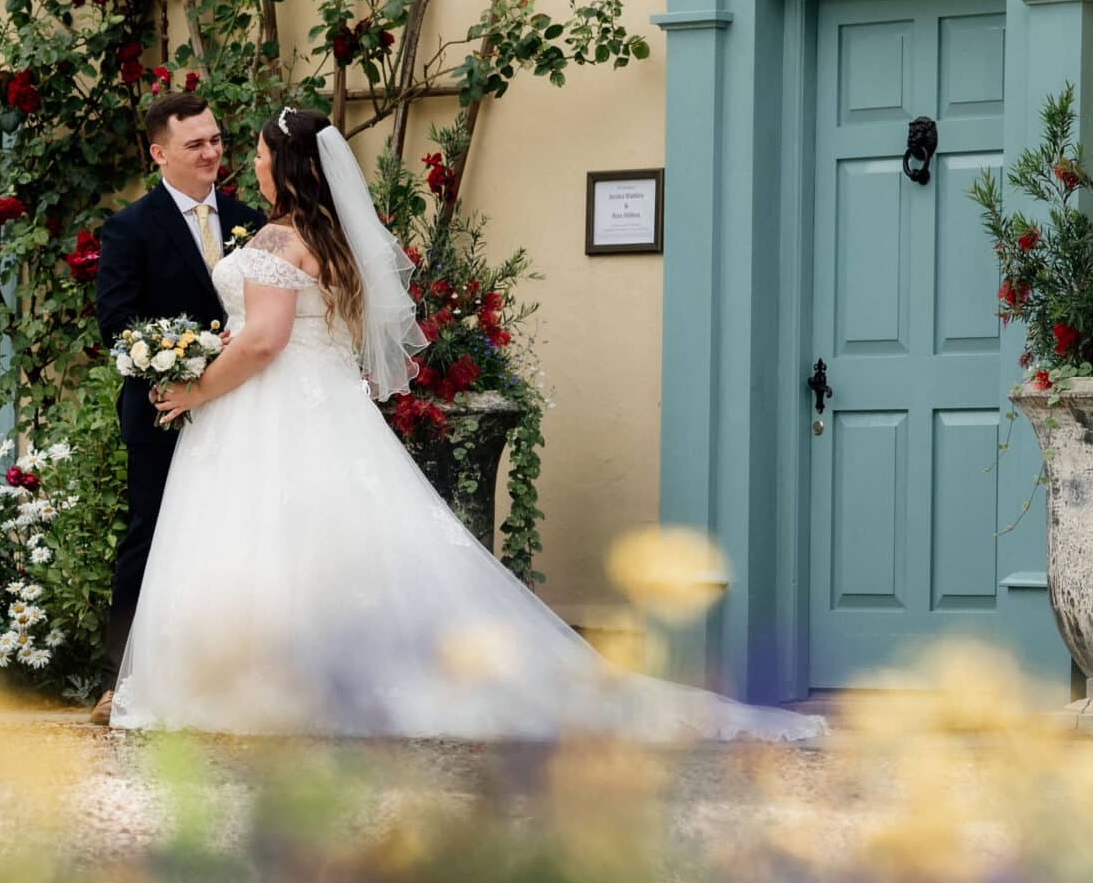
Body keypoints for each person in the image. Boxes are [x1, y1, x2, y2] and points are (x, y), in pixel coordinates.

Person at [111, 105, 826, 743]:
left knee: (271, 542)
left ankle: (266, 685)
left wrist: (193, 389)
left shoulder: (276, 240)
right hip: (323, 405)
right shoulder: (331, 239)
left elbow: (264, 341)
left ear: (286, 167)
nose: (251, 166)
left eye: (260, 157)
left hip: (270, 409)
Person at [91, 93, 264, 728]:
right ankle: (118, 682)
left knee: (236, 544)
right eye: (196, 144)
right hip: (165, 411)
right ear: (160, 152)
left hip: (243, 409)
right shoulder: (130, 228)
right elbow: (117, 322)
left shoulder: (251, 221)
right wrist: (184, 358)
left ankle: (229, 681)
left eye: (216, 140)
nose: (213, 152)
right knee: (149, 540)